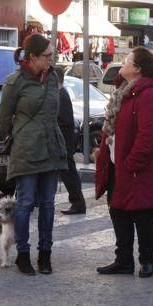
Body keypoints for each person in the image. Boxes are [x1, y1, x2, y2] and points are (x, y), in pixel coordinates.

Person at [94, 47, 153, 277]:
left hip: (136, 168)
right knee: (118, 211)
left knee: (142, 214)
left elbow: (148, 136)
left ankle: (146, 261)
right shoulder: (124, 90)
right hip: (116, 163)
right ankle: (123, 260)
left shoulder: (148, 95)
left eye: (127, 60)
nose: (123, 63)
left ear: (137, 69)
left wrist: (131, 163)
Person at [0, 33, 66, 276]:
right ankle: (23, 254)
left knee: (48, 204)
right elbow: (4, 119)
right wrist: (20, 135)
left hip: (51, 147)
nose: (52, 59)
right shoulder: (14, 82)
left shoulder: (53, 78)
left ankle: (45, 254)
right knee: (25, 203)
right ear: (33, 57)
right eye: (47, 56)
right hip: (27, 149)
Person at [58, 78, 86, 215]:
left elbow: (62, 121)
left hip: (63, 142)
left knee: (68, 173)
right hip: (64, 141)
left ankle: (78, 202)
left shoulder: (61, 94)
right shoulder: (61, 93)